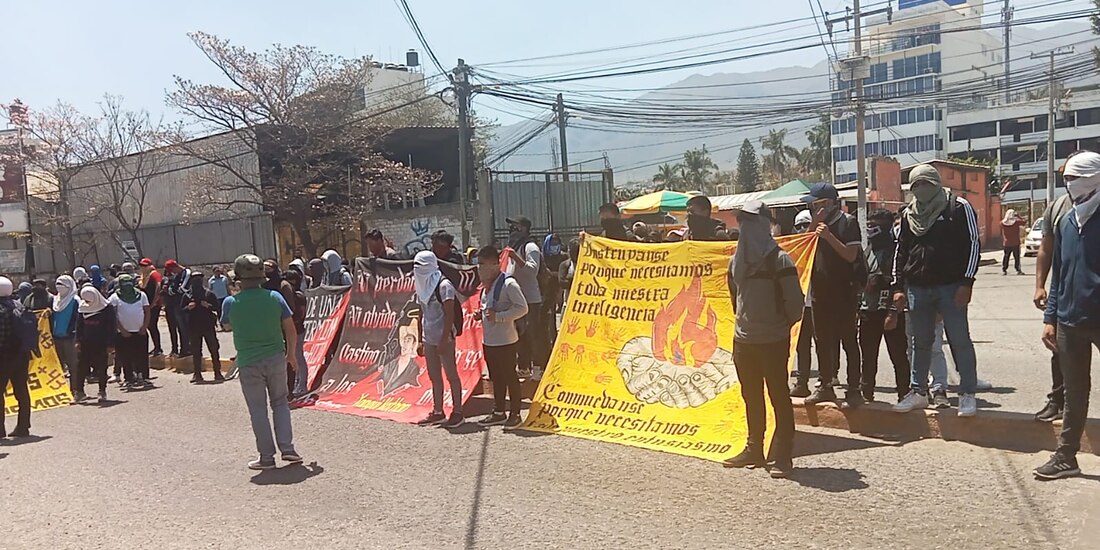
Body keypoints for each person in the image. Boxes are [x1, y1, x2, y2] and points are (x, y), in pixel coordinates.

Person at [892, 163, 981, 417]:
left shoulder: (958, 207)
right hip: (918, 289)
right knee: (920, 343)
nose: (921, 189)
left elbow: (974, 244)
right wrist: (898, 286)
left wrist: (967, 282)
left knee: (959, 341)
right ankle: (918, 391)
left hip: (951, 287)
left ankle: (967, 393)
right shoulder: (909, 214)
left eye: (926, 184)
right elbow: (901, 251)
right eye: (916, 185)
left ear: (937, 183)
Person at [723, 200, 804, 478]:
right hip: (744, 341)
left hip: (773, 341)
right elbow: (735, 299)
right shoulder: (735, 262)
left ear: (764, 224)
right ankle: (754, 449)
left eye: (750, 220)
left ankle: (783, 455)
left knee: (779, 396)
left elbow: (795, 304)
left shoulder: (780, 260)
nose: (745, 226)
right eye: (742, 221)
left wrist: (776, 326)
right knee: (751, 396)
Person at [1035, 151, 1100, 480]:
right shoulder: (1067, 220)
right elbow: (1059, 272)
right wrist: (1051, 318)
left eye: (1075, 178)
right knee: (1074, 392)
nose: (1070, 184)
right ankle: (1066, 457)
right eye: (1067, 179)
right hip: (1070, 321)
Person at [220, 254, 302, 470]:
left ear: (239, 278)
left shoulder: (230, 302)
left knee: (258, 410)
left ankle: (267, 457)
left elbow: (226, 326)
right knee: (280, 403)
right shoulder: (275, 297)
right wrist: (291, 355)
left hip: (248, 361)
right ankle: (288, 448)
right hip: (276, 358)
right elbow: (290, 328)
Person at [800, 183, 863, 407]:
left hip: (844, 292)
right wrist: (814, 226)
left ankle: (854, 389)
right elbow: (803, 248)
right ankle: (825, 385)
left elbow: (850, 255)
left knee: (848, 341)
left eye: (815, 204)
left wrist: (828, 236)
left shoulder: (848, 222)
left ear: (828, 203)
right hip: (819, 292)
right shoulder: (815, 226)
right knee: (822, 341)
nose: (812, 208)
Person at [859, 209, 911, 402]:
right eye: (869, 225)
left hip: (890, 312)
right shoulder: (868, 250)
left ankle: (904, 394)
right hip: (868, 312)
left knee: (898, 356)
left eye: (875, 226)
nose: (870, 229)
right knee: (868, 356)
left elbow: (900, 284)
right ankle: (866, 393)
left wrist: (893, 312)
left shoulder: (896, 252)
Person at [1033, 185, 1075, 422]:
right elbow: (1047, 250)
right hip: (1068, 296)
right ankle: (1058, 401)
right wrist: (1040, 286)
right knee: (1059, 351)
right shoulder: (1058, 208)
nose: (1073, 181)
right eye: (1068, 177)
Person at [475, 245, 529, 428]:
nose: (479, 268)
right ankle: (499, 411)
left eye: (482, 264)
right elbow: (488, 308)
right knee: (496, 377)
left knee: (510, 377)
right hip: (489, 340)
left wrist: (499, 317)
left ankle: (515, 414)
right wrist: (481, 315)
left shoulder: (508, 283)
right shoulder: (486, 286)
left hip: (505, 341)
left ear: (494, 264)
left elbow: (522, 308)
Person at [412, 251, 465, 428]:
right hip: (429, 338)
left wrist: (443, 340)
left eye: (420, 266)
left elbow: (449, 315)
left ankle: (458, 412)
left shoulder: (444, 286)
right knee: (434, 376)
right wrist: (420, 339)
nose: (417, 269)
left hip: (444, 338)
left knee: (451, 375)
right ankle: (437, 411)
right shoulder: (421, 285)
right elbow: (421, 313)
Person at [506, 215, 545, 380]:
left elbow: (532, 271)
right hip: (516, 299)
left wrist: (515, 257)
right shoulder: (514, 247)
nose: (512, 230)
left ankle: (538, 368)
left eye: (516, 226)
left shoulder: (530, 247)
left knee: (532, 334)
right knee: (519, 335)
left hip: (530, 300)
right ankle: (523, 367)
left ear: (524, 228)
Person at [0, 277, 32, 438]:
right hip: (21, 354)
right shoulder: (20, 306)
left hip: (3, 356)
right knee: (22, 391)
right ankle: (23, 427)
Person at [789, 209, 815, 398]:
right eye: (798, 226)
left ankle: (827, 380)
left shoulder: (823, 247)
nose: (802, 230)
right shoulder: (794, 250)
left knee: (824, 345)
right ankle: (802, 382)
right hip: (801, 304)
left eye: (806, 225)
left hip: (820, 304)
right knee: (802, 345)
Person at [108, 274, 151, 388]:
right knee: (125, 356)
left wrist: (144, 327)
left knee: (142, 355)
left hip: (140, 331)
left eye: (129, 282)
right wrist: (122, 330)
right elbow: (113, 315)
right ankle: (129, 378)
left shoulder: (141, 295)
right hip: (123, 334)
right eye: (124, 283)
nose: (127, 285)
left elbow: (147, 311)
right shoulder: (115, 297)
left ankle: (144, 377)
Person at [75, 286, 116, 404]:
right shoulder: (83, 307)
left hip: (101, 342)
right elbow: (79, 325)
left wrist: (110, 344)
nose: (87, 302)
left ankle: (102, 391)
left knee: (101, 368)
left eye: (89, 300)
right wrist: (77, 340)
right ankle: (79, 392)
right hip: (85, 342)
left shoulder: (106, 308)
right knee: (81, 367)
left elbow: (111, 326)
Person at [184, 270, 223, 383]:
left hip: (208, 326)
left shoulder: (209, 294)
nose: (197, 281)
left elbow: (217, 307)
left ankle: (217, 373)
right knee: (196, 351)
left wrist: (208, 306)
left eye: (199, 279)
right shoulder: (187, 295)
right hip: (194, 327)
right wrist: (188, 307)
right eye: (195, 279)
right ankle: (197, 374)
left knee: (214, 349)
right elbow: (182, 309)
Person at [283, 269, 309, 397]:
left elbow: (300, 315)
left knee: (298, 357)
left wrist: (290, 321)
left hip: (298, 330)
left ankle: (302, 385)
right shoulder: (292, 294)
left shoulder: (298, 296)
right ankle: (296, 384)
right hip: (292, 330)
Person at [52, 275, 80, 377]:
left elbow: (78, 319)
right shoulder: (55, 300)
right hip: (56, 337)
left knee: (73, 366)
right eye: (57, 284)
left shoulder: (75, 300)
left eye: (62, 284)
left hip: (70, 338)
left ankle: (75, 386)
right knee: (58, 366)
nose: (59, 287)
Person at [165, 260, 193, 358]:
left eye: (172, 270)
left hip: (185, 304)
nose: (172, 272)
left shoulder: (187, 273)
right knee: (181, 328)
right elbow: (171, 290)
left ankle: (188, 349)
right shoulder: (177, 276)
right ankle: (183, 349)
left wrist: (175, 290)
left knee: (186, 328)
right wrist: (174, 290)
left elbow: (182, 289)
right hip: (177, 305)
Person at [139, 258, 165, 356]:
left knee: (152, 325)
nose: (143, 267)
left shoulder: (154, 274)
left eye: (145, 266)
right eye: (141, 265)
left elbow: (158, 286)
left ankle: (158, 348)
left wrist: (154, 302)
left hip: (153, 305)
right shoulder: (144, 276)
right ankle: (156, 347)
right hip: (146, 305)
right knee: (149, 326)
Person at [1001, 208, 1027, 276]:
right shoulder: (1016, 222)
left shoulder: (1003, 223)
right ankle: (1018, 270)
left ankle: (1004, 269)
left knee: (1006, 256)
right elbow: (1024, 221)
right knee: (1016, 257)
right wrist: (1018, 216)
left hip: (1007, 243)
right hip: (1015, 243)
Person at [558, 238, 580, 309]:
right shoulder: (565, 265)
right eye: (571, 250)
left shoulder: (587, 265)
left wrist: (570, 279)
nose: (572, 253)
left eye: (576, 251)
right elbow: (562, 283)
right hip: (568, 303)